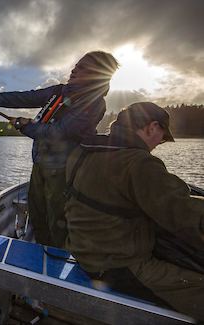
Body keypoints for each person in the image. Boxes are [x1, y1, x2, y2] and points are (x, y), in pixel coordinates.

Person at [64, 102, 204, 319]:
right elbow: (186, 215)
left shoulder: (83, 153)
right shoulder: (139, 163)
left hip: (84, 252)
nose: (160, 144)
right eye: (163, 137)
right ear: (152, 127)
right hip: (119, 266)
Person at [0, 51, 119, 248]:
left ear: (98, 73)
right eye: (76, 65)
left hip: (63, 172)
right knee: (38, 216)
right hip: (40, 165)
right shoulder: (60, 91)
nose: (74, 69)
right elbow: (25, 98)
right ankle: (39, 257)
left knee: (57, 222)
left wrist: (25, 125)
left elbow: (61, 132)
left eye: (82, 67)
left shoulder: (95, 103)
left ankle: (56, 265)